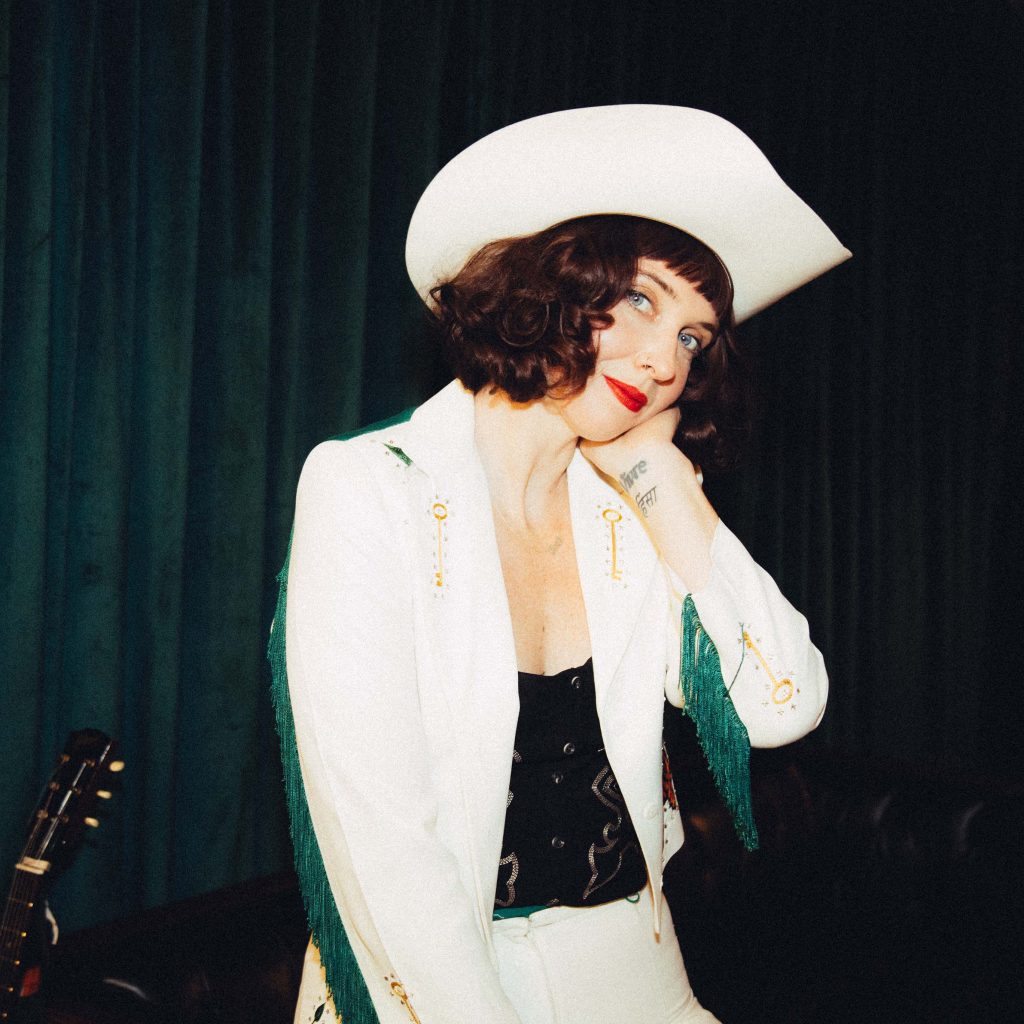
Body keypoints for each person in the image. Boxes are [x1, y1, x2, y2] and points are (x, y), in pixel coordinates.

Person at [268, 105, 850, 1024]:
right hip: (436, 985)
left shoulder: (628, 506)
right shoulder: (370, 488)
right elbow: (381, 843)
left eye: (694, 338)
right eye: (644, 301)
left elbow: (781, 707)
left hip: (635, 969)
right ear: (552, 285)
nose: (664, 362)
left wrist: (660, 476)